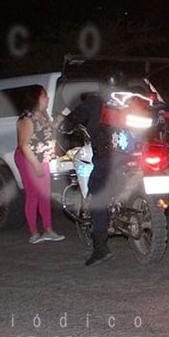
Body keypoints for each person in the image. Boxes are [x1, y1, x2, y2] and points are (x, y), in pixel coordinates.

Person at [64, 76, 125, 266]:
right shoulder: (131, 100)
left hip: (107, 157)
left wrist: (65, 122)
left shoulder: (94, 102)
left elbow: (70, 122)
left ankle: (100, 248)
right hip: (135, 156)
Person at [15, 85, 64, 244]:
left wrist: (59, 121)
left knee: (44, 194)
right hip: (29, 159)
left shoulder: (43, 115)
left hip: (42, 159)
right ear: (36, 98)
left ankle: (48, 229)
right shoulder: (27, 119)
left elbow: (49, 133)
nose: (47, 99)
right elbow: (23, 145)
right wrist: (36, 165)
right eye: (44, 96)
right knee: (33, 195)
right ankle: (34, 232)